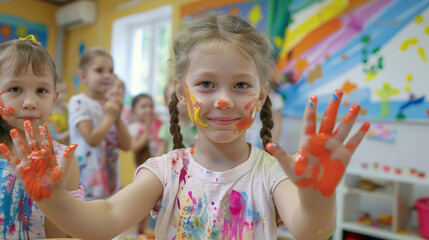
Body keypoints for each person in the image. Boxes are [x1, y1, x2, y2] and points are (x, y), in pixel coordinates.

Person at [0, 14, 370, 240]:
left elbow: (312, 232)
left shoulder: (270, 174)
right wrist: (54, 200)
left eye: (241, 85)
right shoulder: (165, 171)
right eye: (206, 84)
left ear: (261, 96)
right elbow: (105, 222)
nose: (223, 100)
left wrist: (319, 198)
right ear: (180, 92)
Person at [0, 35, 82, 239]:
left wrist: (54, 196)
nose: (30, 102)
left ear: (54, 98)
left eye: (41, 90)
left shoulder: (64, 159)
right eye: (15, 89)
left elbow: (63, 235)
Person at [68, 47, 130, 200]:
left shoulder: (111, 105)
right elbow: (92, 139)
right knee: (85, 223)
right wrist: (110, 116)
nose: (107, 75)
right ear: (82, 76)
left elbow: (126, 145)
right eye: (99, 70)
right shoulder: (78, 102)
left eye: (110, 70)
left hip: (111, 181)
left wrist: (117, 116)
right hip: (86, 182)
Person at [156, 84, 197, 156]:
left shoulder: (199, 127)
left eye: (185, 95)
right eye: (176, 98)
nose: (183, 100)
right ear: (167, 104)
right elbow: (160, 154)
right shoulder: (166, 128)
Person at [128, 93, 162, 167]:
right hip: (143, 166)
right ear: (134, 111)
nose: (148, 109)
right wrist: (147, 130)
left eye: (151, 106)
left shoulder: (158, 124)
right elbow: (134, 147)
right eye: (143, 106)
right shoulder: (134, 128)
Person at [246, 82, 284, 149]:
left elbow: (278, 124)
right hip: (248, 138)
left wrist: (273, 144)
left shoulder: (276, 99)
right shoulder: (250, 97)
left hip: (265, 139)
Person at [46, 78, 70, 145]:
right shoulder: (47, 112)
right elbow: (50, 135)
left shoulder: (69, 110)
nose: (61, 96)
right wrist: (67, 134)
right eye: (58, 92)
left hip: (65, 149)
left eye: (64, 92)